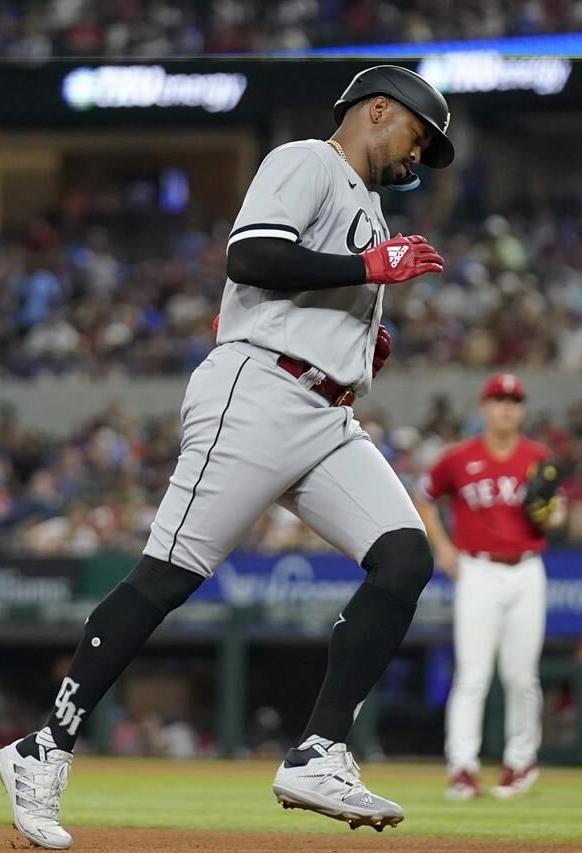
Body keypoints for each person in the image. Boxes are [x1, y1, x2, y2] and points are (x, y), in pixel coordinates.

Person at [0, 64, 454, 849]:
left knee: (405, 555)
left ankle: (317, 750)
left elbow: (319, 283)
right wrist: (365, 274)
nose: (418, 159)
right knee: (165, 577)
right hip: (258, 390)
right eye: (417, 138)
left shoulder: (371, 208)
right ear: (378, 111)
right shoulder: (307, 160)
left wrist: (359, 331)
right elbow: (252, 257)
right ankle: (44, 747)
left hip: (324, 409)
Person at [415, 373, 559, 801]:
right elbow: (423, 495)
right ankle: (462, 767)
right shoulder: (459, 458)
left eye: (514, 401)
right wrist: (441, 546)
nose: (506, 408)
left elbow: (556, 513)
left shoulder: (538, 456)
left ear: (522, 410)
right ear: (484, 407)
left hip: (527, 567)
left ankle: (520, 762)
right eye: (498, 400)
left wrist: (551, 512)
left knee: (521, 675)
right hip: (477, 568)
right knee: (473, 674)